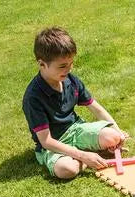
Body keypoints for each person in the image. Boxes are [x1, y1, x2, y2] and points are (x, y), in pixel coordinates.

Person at [22, 27, 128, 179]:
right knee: (67, 169)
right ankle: (87, 156)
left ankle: (85, 153)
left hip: (76, 130)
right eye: (62, 66)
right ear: (42, 64)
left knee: (113, 137)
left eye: (71, 63)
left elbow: (96, 108)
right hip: (54, 143)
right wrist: (84, 156)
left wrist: (118, 132)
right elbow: (46, 141)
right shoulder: (33, 97)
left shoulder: (70, 80)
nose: (69, 69)